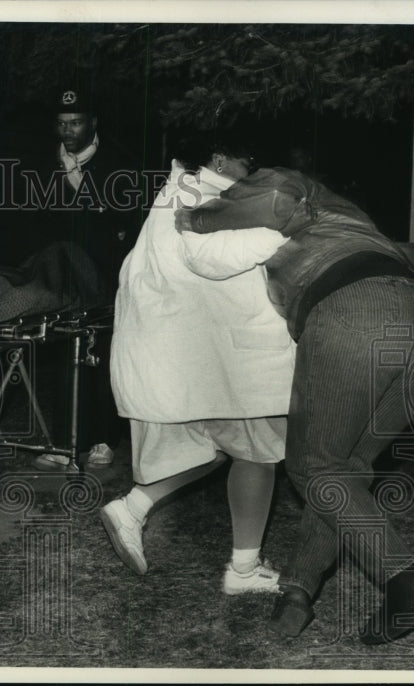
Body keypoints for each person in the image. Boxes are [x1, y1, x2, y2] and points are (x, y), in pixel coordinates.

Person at [177, 165, 414, 643]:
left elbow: (273, 191)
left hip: (358, 308)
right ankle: (297, 593)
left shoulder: (292, 187)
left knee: (313, 467)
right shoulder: (347, 217)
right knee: (346, 468)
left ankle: (404, 578)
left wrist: (195, 219)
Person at [100, 138, 296, 596]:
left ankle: (132, 508)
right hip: (213, 360)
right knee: (259, 454)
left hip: (188, 358)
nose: (255, 170)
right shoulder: (202, 198)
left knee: (214, 450)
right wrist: (287, 231)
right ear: (221, 158)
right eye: (250, 160)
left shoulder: (181, 190)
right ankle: (242, 573)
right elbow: (212, 260)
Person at [31, 86, 140, 471]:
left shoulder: (120, 164)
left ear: (93, 124)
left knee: (102, 355)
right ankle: (63, 440)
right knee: (63, 354)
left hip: (104, 278)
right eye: (61, 124)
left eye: (75, 123)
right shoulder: (43, 164)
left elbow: (130, 224)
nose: (68, 131)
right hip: (59, 279)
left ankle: (103, 438)